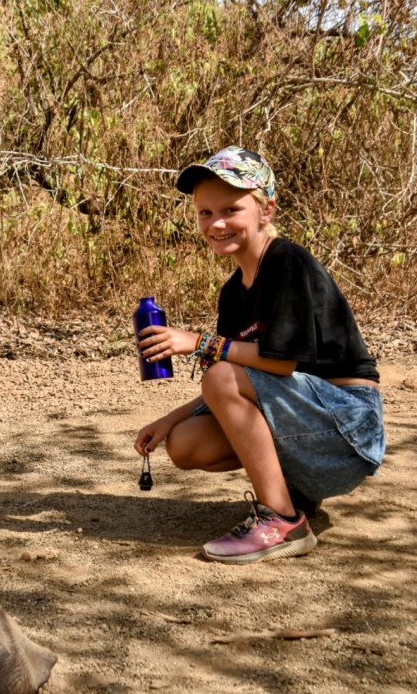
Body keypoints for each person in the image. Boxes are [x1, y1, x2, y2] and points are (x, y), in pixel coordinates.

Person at [133, 146, 386, 565]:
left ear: (265, 210)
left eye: (231, 209)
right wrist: (169, 419)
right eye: (204, 212)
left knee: (219, 375)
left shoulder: (287, 262)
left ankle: (283, 520)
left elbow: (279, 363)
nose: (216, 223)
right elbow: (240, 385)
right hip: (307, 428)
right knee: (184, 444)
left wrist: (197, 341)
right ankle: (295, 495)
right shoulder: (233, 293)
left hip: (349, 431)